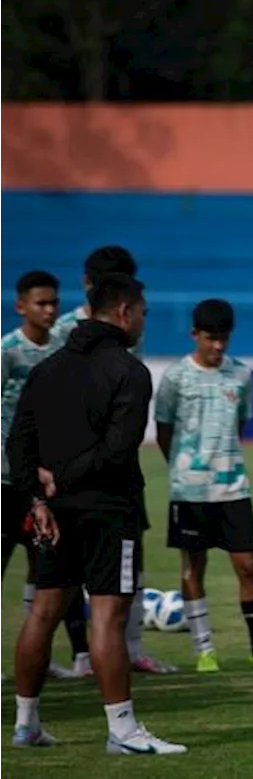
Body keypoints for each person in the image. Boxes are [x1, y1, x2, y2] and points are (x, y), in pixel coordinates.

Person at [7, 273, 186, 754]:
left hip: (55, 513)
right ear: (125, 312)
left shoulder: (47, 369)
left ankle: (25, 724)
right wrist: (60, 481)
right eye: (143, 313)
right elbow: (118, 449)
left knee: (43, 610)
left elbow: (18, 442)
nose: (144, 322)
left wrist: (38, 498)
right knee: (107, 616)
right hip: (109, 510)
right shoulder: (129, 371)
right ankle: (123, 732)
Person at [48, 245, 173, 675]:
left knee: (126, 567)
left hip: (115, 469)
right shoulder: (64, 331)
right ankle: (84, 655)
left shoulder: (127, 333)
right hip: (82, 467)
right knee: (60, 580)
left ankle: (127, 650)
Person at [154, 298, 253, 675]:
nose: (217, 346)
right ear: (194, 334)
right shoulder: (175, 377)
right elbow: (164, 431)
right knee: (192, 567)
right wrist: (184, 471)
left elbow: (238, 427)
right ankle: (205, 651)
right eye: (210, 339)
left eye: (224, 339)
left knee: (248, 566)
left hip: (233, 489)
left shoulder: (241, 376)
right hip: (190, 492)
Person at [0, 271, 92, 680]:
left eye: (54, 302)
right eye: (42, 303)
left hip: (49, 482)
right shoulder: (7, 352)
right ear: (21, 306)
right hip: (6, 481)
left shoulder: (61, 350)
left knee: (45, 571)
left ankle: (37, 655)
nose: (51, 310)